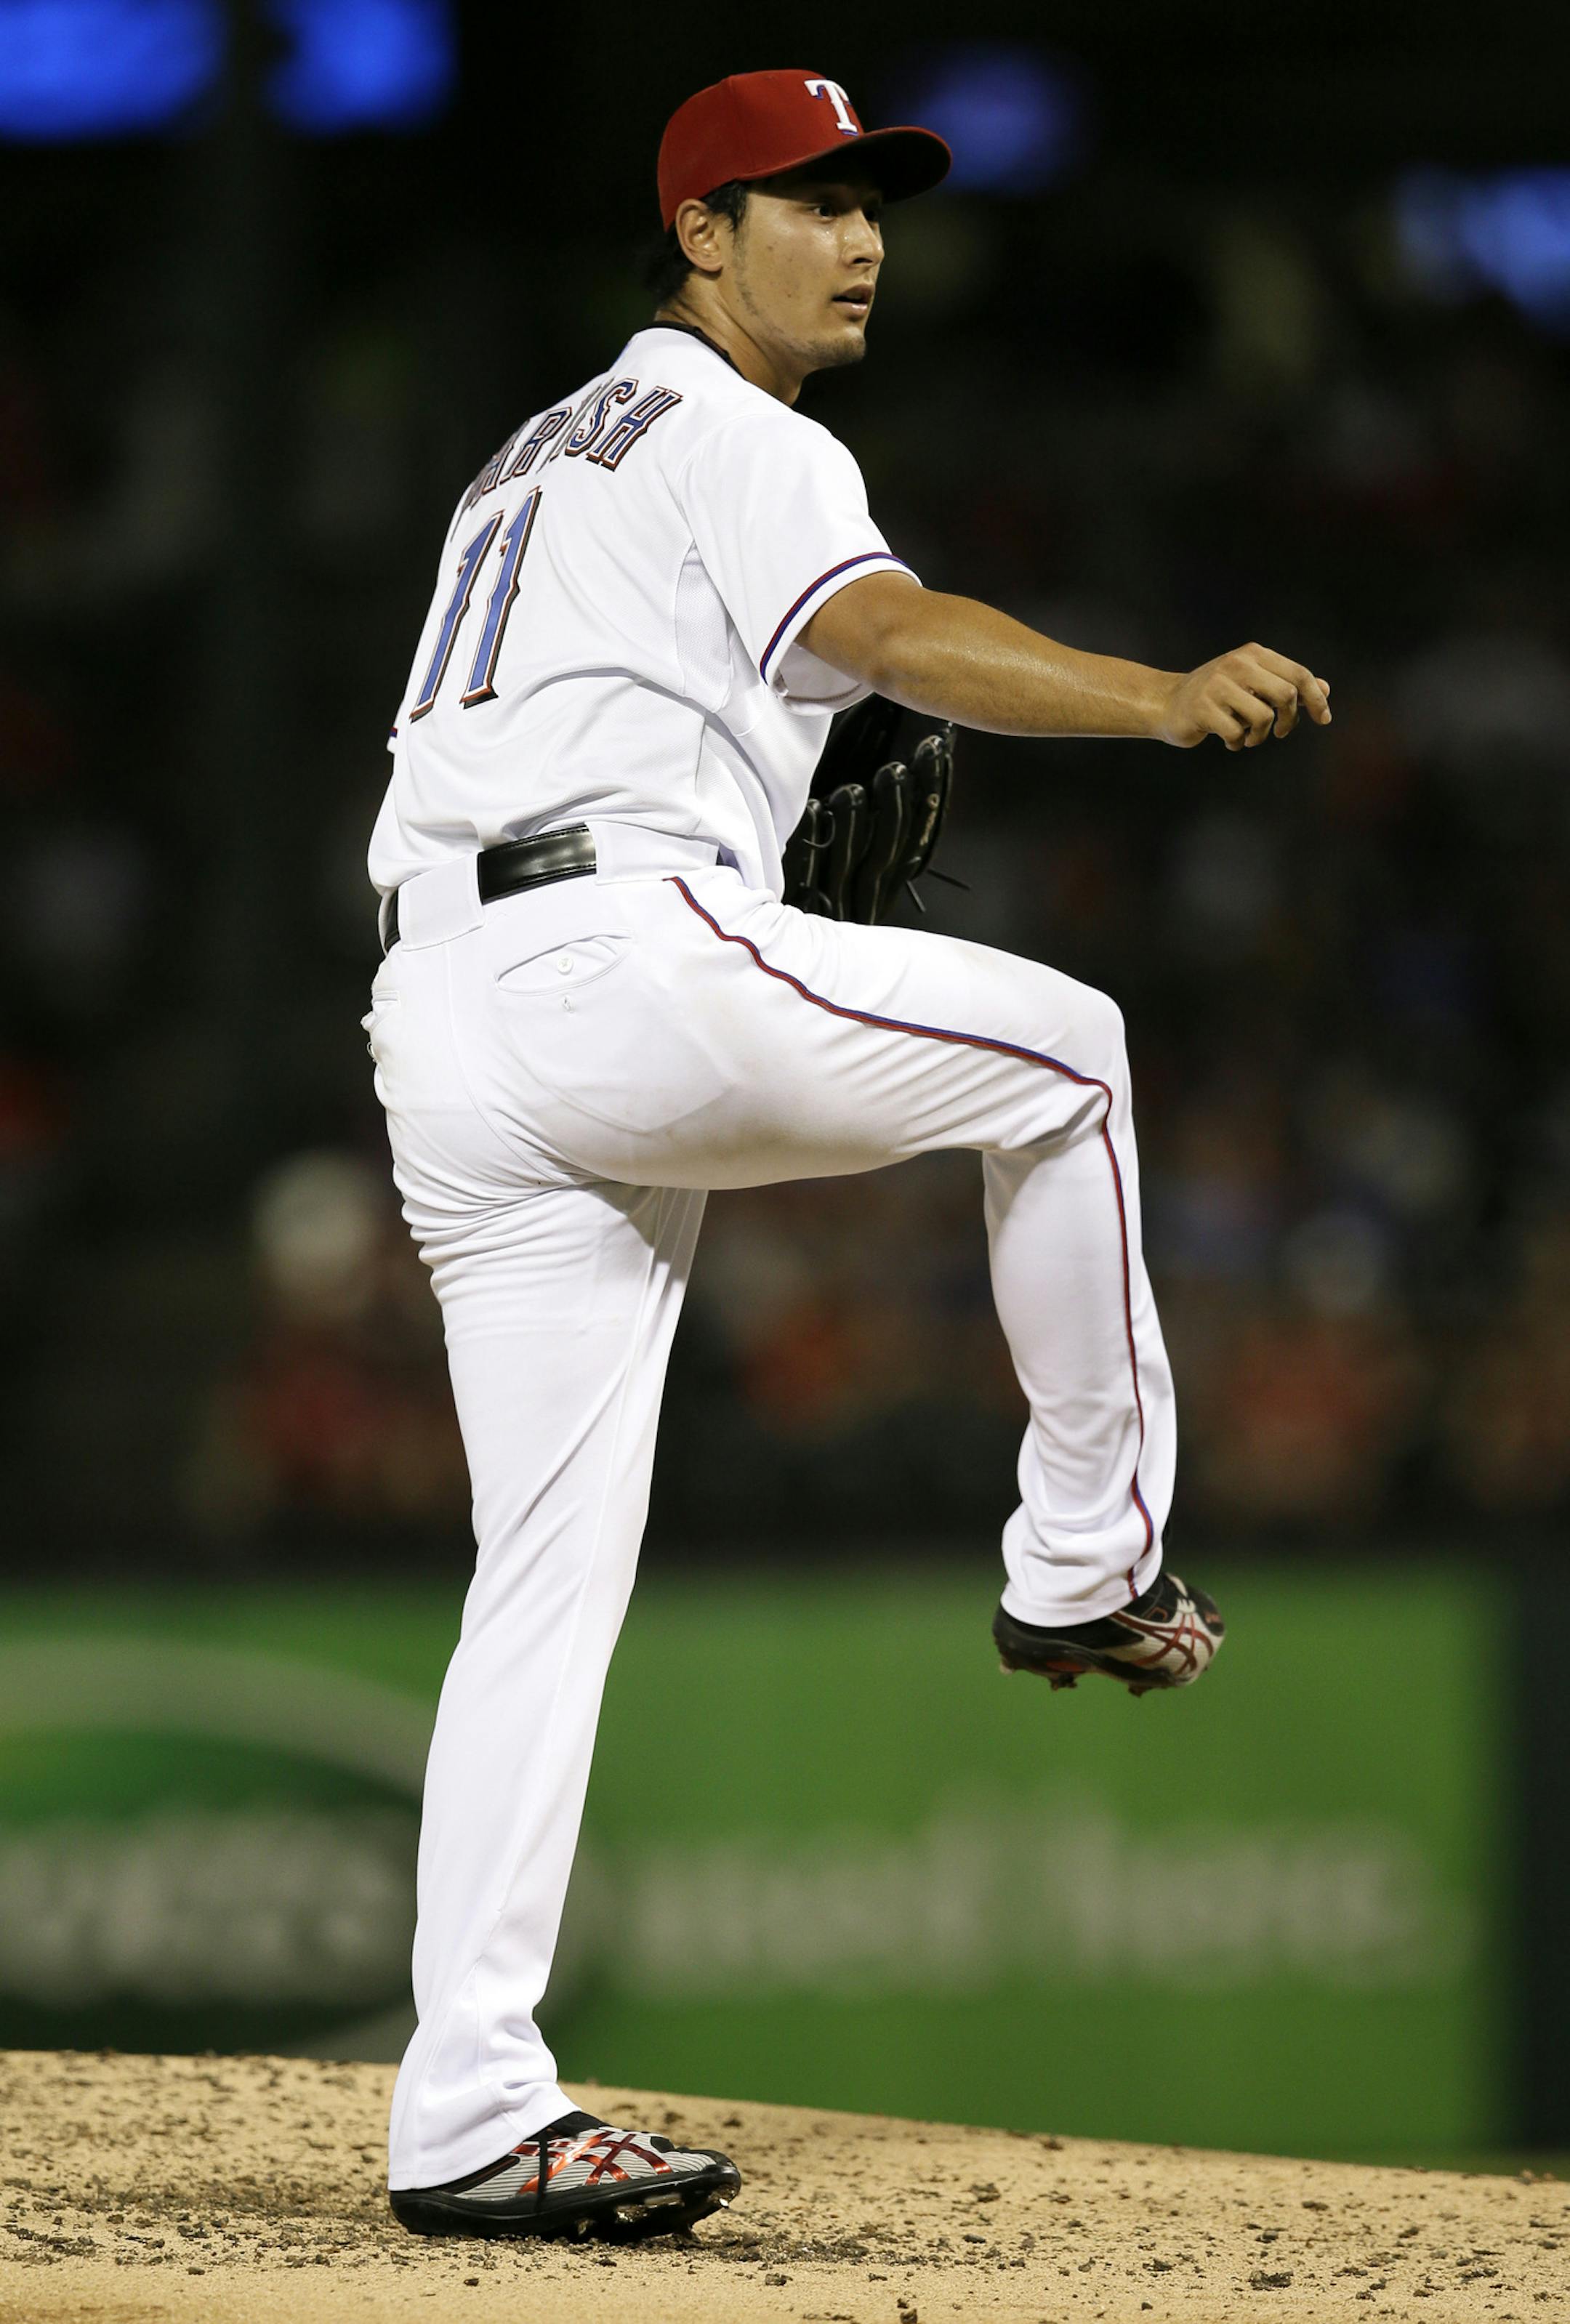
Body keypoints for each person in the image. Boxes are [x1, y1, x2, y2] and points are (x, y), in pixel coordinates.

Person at [366, 68, 1332, 2245]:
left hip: (444, 1009)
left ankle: (467, 2109)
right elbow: (883, 637)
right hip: (612, 957)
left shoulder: (535, 454)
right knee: (1071, 1056)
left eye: (872, 199)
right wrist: (1155, 693)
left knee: (541, 1582)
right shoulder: (744, 429)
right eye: (806, 199)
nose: (862, 235)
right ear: (701, 238)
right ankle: (1080, 1560)